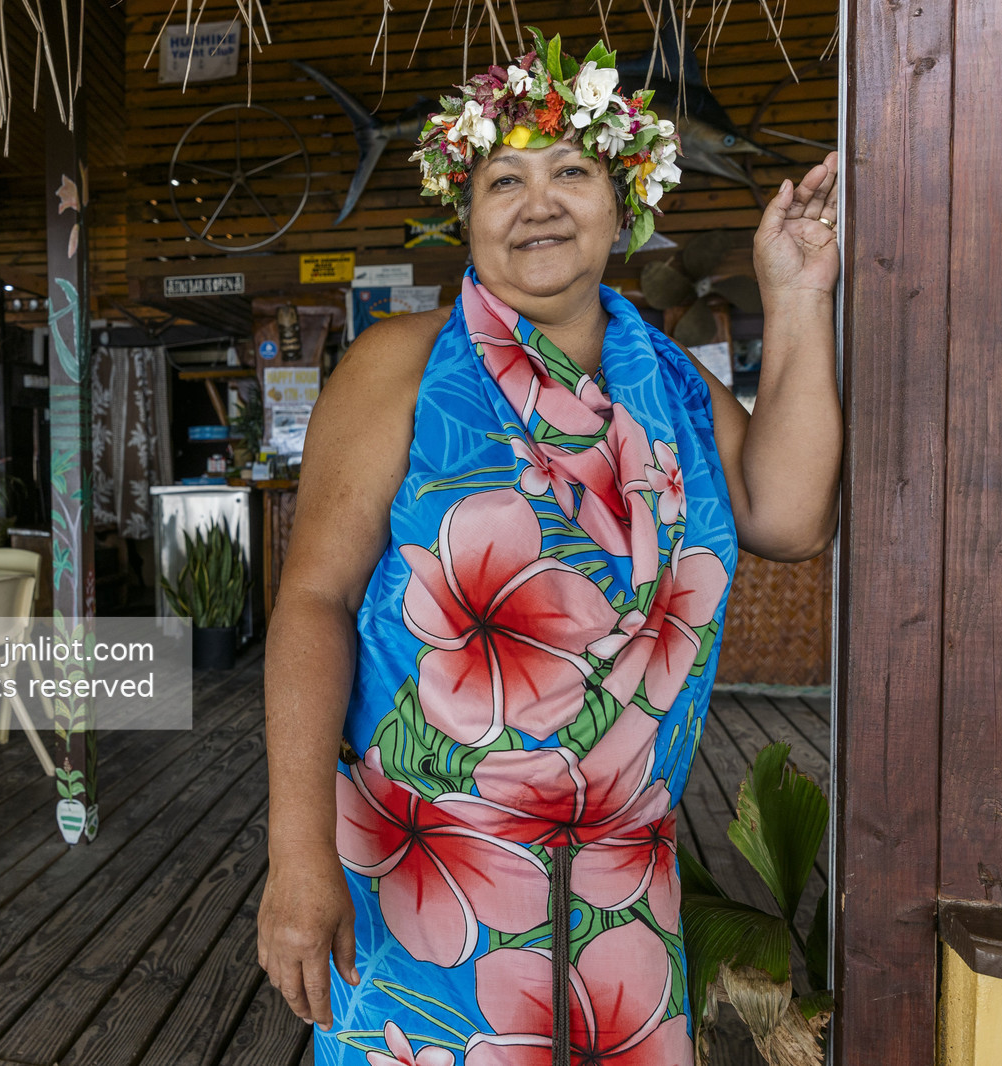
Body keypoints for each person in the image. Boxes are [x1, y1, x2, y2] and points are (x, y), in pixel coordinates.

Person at [257, 30, 841, 1066]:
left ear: (622, 206)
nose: (539, 202)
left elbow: (788, 518)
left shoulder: (668, 382)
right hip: (425, 881)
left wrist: (793, 293)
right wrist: (296, 849)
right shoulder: (400, 366)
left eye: (571, 171)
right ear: (465, 215)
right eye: (502, 179)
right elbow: (311, 600)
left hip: (620, 892)